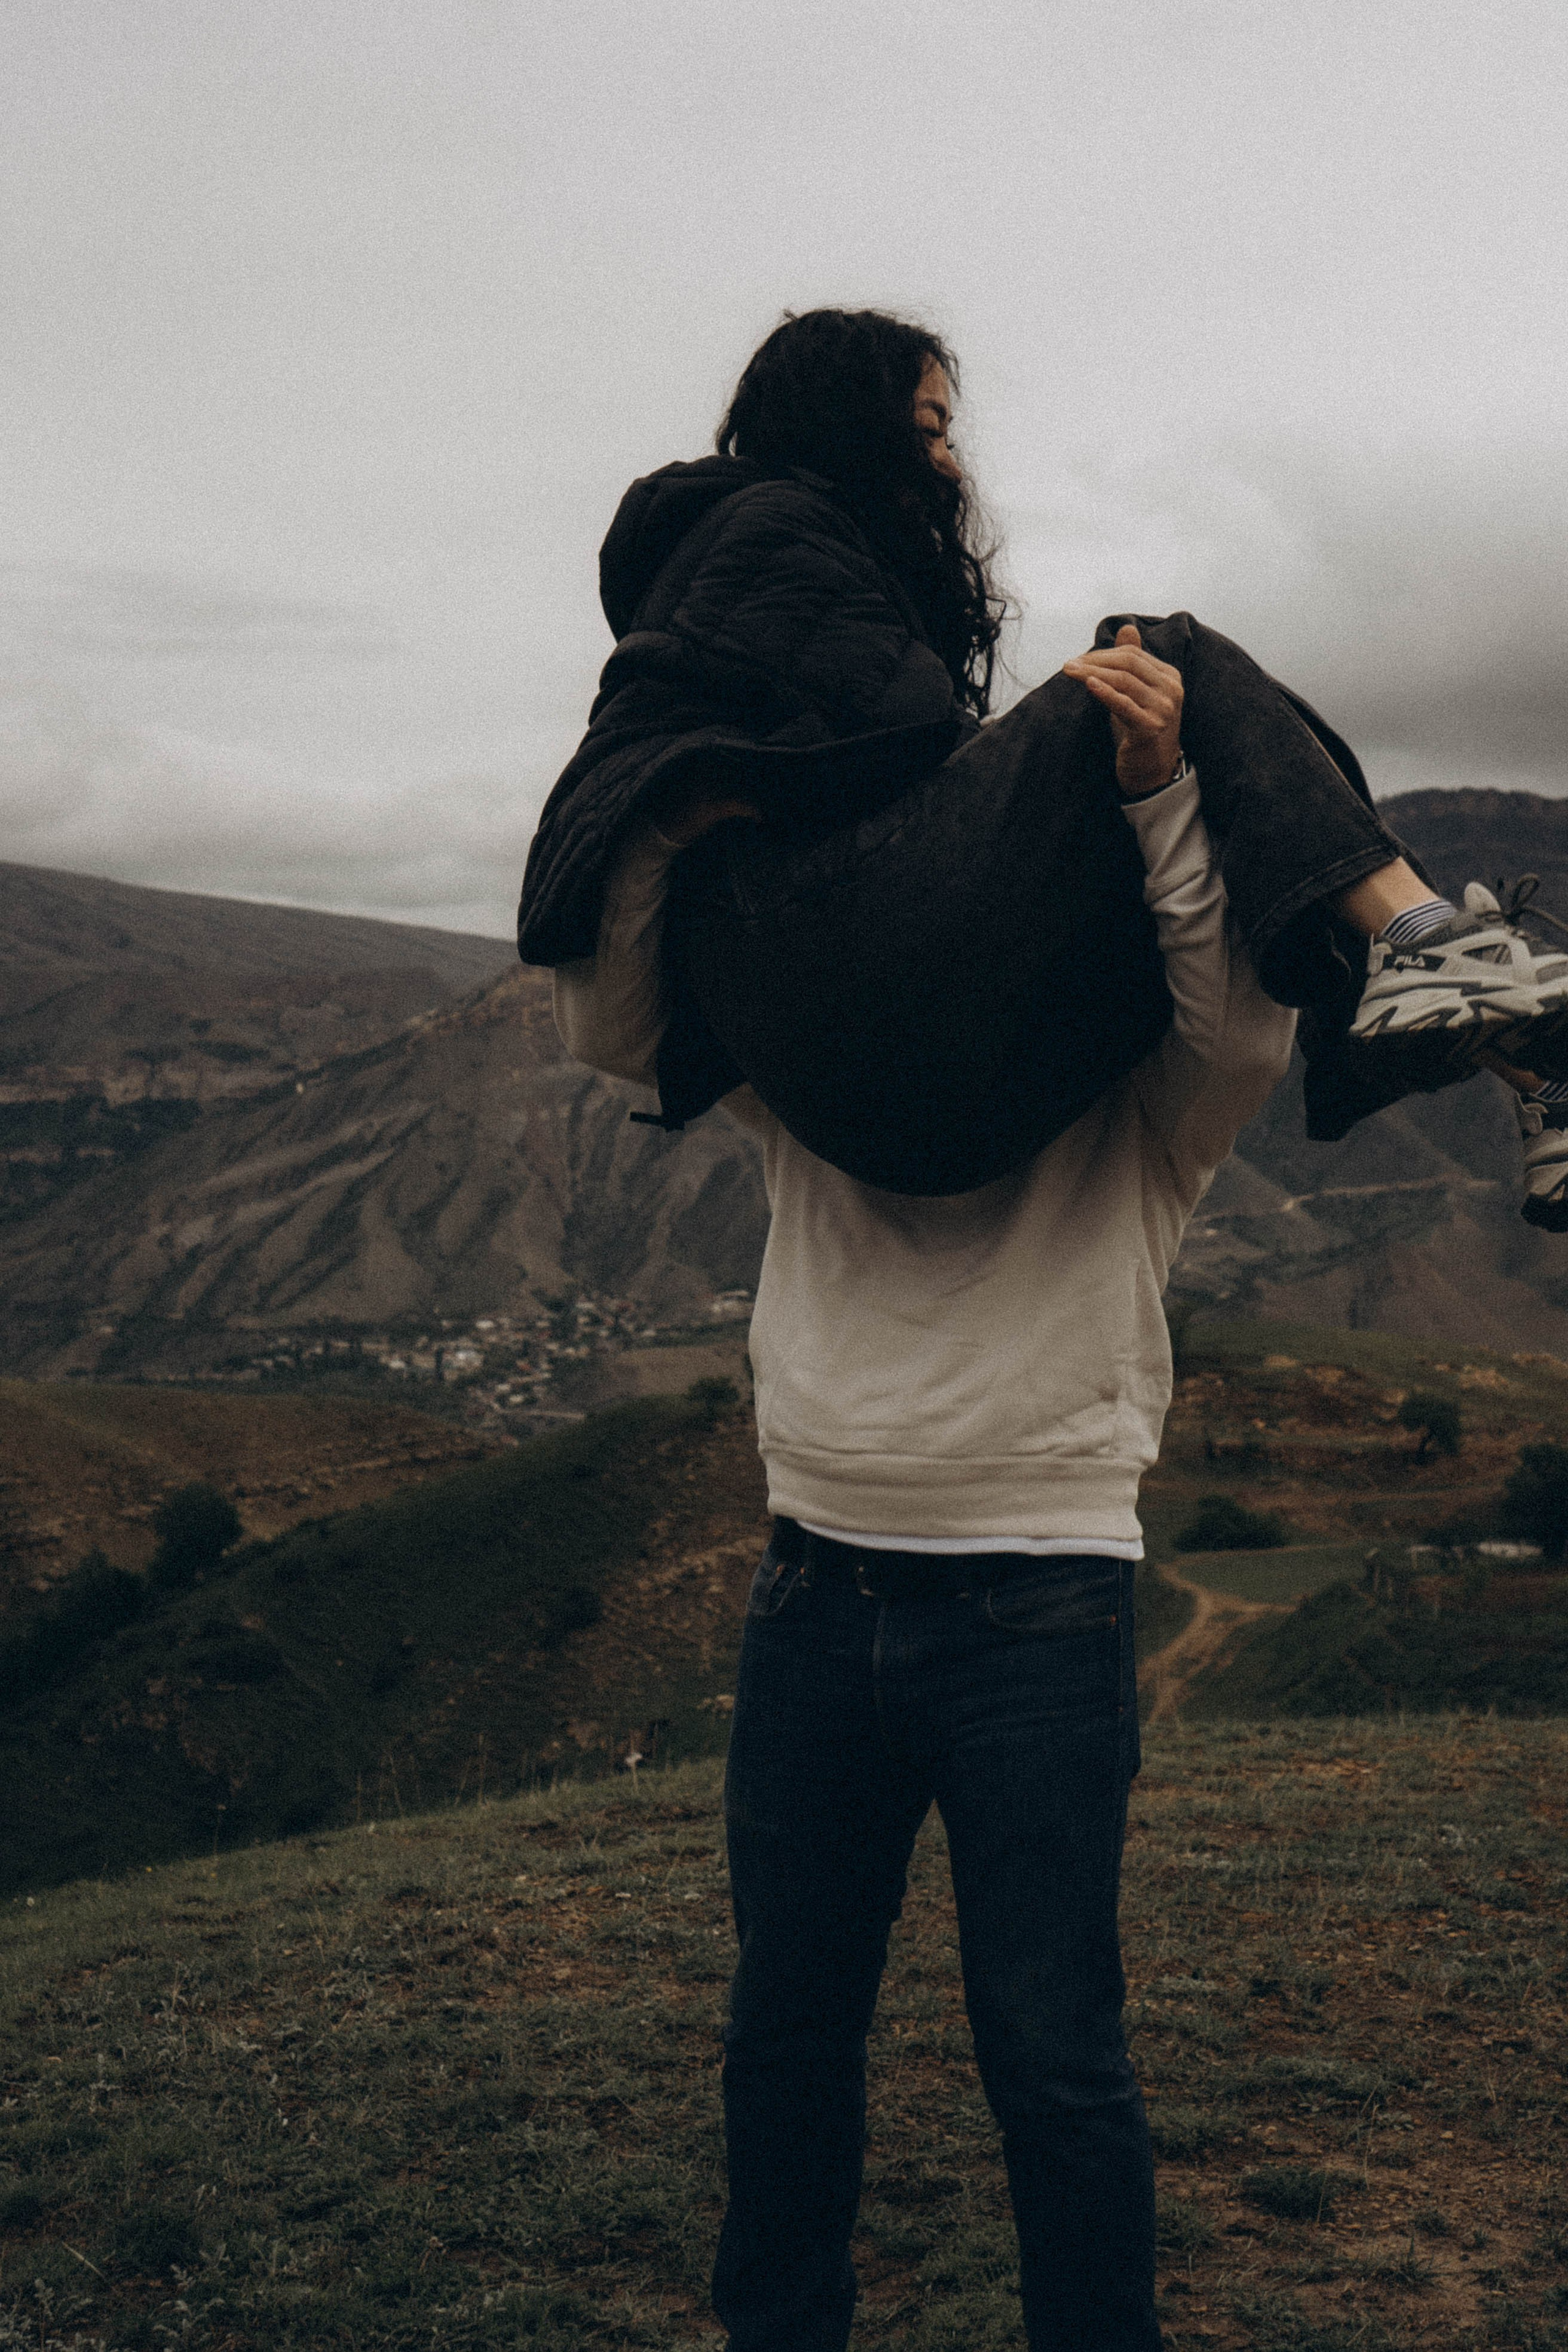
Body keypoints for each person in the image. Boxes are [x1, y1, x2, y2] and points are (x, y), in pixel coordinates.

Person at [526, 310, 1568, 2350]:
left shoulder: (1155, 1106)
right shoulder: (840, 1067)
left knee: (1055, 2060)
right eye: (922, 436)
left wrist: (1166, 782)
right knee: (786, 2041)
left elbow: (1230, 1001)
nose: (953, 471)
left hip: (1035, 1607)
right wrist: (686, 790)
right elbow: (619, 1017)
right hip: (818, 1584)